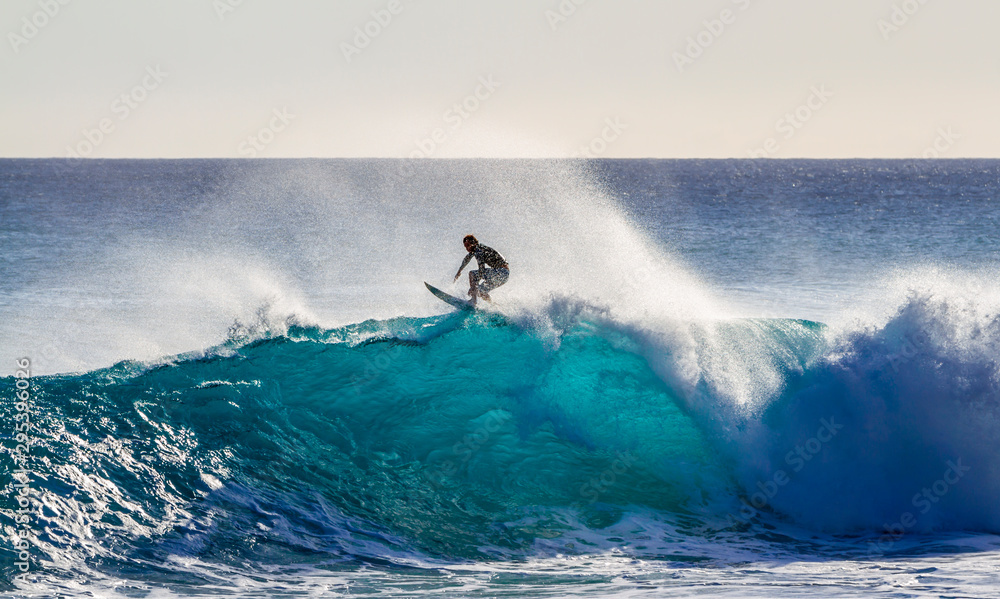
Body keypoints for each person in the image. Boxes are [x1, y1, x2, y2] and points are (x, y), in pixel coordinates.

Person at [453, 234, 509, 305]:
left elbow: (481, 268)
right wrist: (459, 272)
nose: (467, 248)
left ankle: (473, 301)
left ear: (473, 243)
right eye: (465, 247)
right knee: (480, 292)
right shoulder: (476, 249)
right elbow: (466, 259)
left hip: (501, 272)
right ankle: (495, 306)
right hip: (504, 276)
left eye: (468, 245)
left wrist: (473, 287)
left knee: (472, 274)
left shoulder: (479, 250)